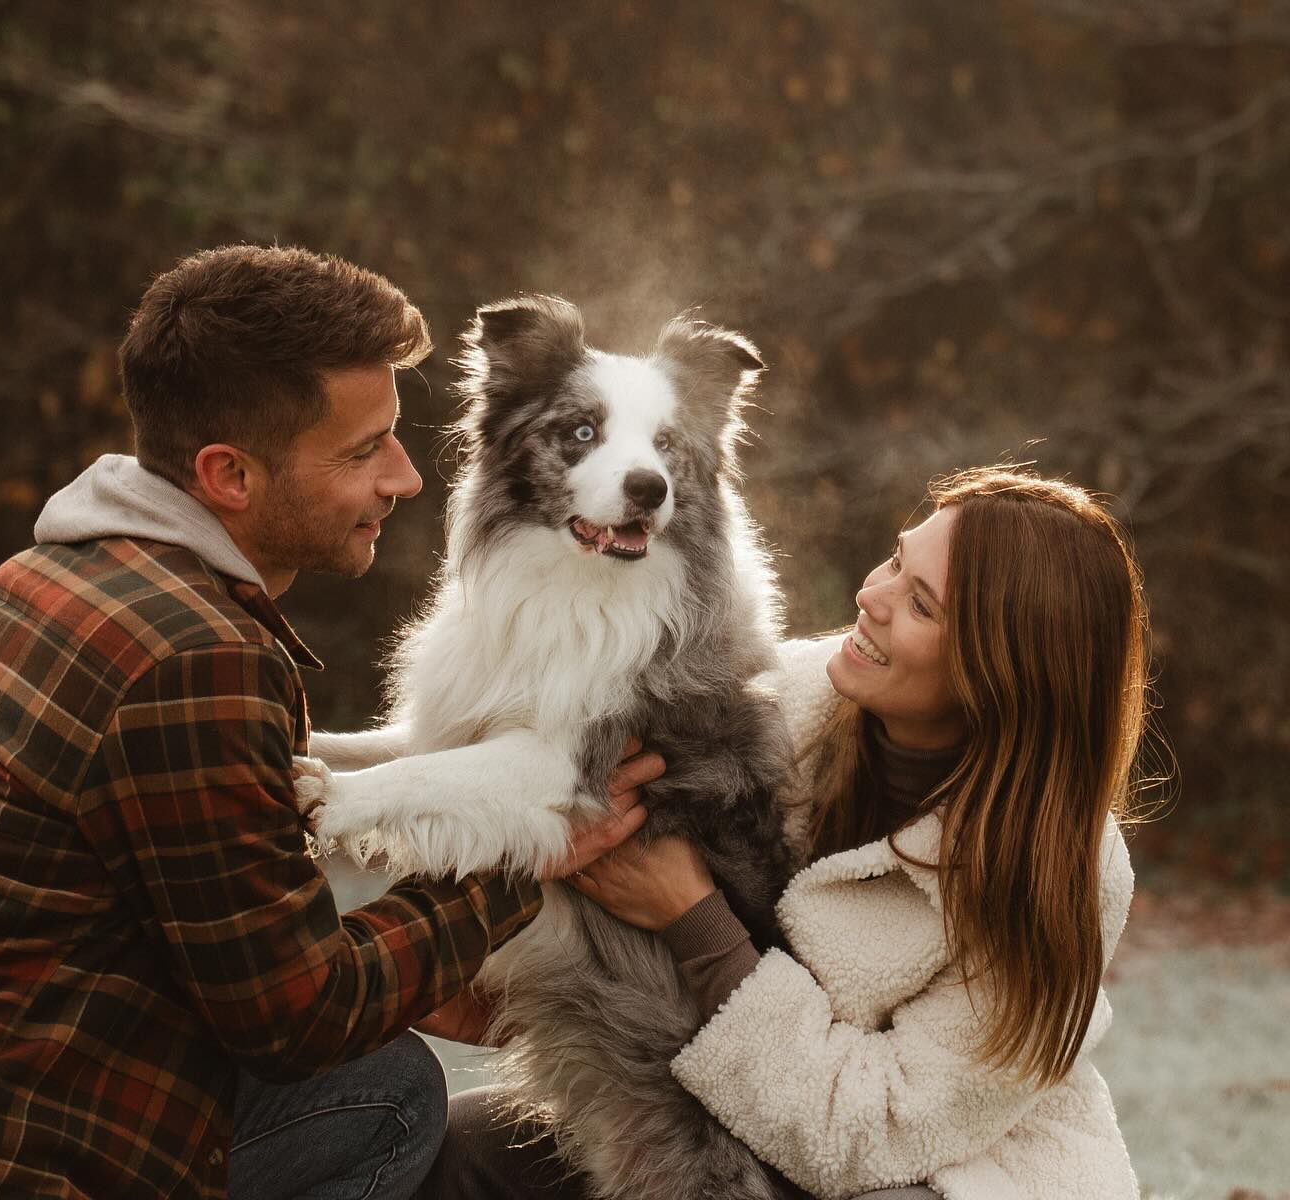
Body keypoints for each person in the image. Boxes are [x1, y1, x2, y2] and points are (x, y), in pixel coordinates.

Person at [0, 244, 659, 1200]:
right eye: (363, 453)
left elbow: (235, 871)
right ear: (229, 474)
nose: (405, 479)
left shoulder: (48, 576)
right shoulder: (195, 654)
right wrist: (523, 874)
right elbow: (298, 1018)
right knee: (391, 1093)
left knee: (381, 1071)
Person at [421, 466, 1152, 1200]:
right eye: (897, 561)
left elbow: (876, 1132)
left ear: (1000, 674)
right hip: (719, 1103)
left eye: (920, 605)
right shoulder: (770, 699)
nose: (871, 596)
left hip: (947, 1169)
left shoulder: (1061, 868)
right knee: (463, 1148)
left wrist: (691, 918)